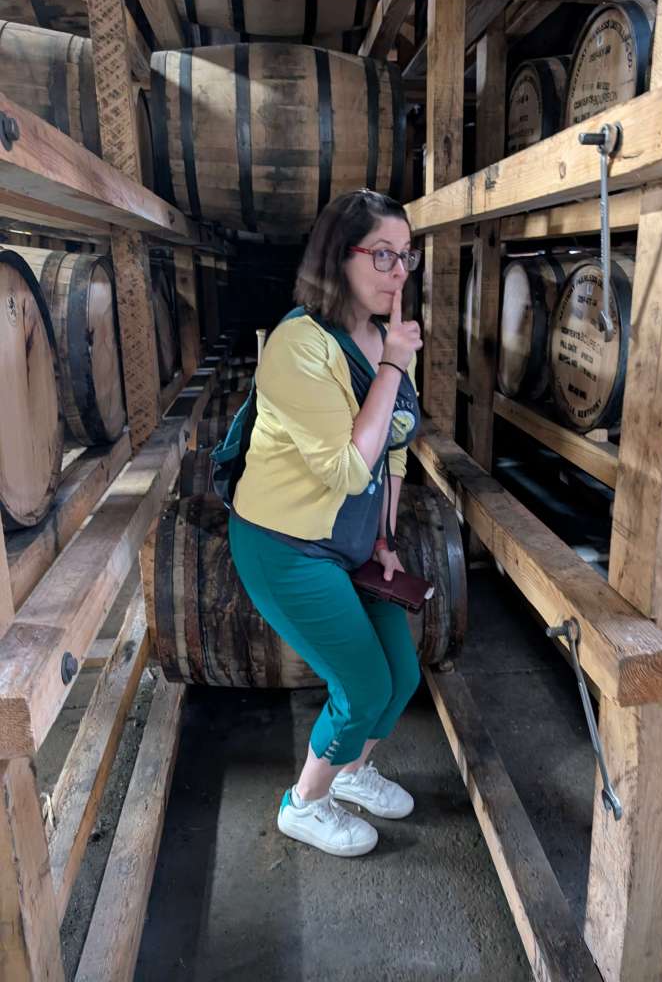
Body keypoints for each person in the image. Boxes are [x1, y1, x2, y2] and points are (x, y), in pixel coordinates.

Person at [228, 189, 424, 857]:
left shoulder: (380, 334)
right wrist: (393, 364)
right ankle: (305, 804)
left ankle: (351, 772)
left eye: (406, 255)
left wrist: (384, 538)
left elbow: (394, 445)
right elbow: (347, 467)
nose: (398, 271)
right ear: (339, 257)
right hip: (284, 545)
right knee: (362, 685)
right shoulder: (299, 345)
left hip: (351, 542)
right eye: (382, 255)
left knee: (400, 676)